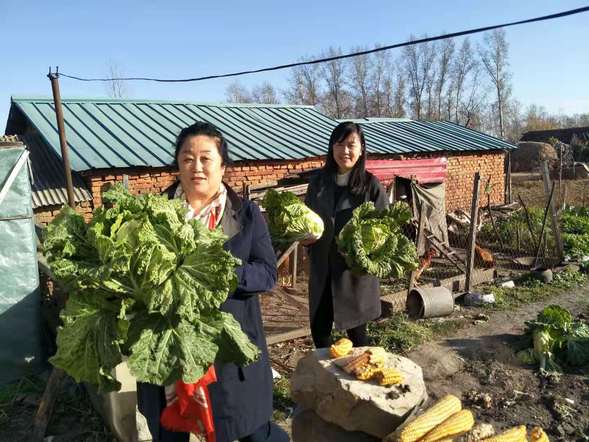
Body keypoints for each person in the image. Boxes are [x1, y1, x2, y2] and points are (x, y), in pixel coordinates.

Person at [136, 122, 289, 442]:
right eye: (187, 158)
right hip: (168, 351)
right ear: (177, 164)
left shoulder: (246, 215)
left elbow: (267, 273)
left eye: (206, 158)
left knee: (246, 429)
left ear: (223, 165)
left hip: (229, 350)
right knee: (170, 430)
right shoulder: (152, 216)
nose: (197, 167)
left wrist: (219, 273)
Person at [304, 121, 388, 349]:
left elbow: (386, 232)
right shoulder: (318, 183)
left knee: (359, 339)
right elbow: (306, 220)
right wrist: (306, 241)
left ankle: (360, 381)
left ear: (362, 149)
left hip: (355, 275)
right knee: (320, 334)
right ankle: (325, 382)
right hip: (322, 270)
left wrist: (362, 252)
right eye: (339, 144)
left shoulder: (371, 186)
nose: (345, 151)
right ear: (332, 148)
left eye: (352, 145)